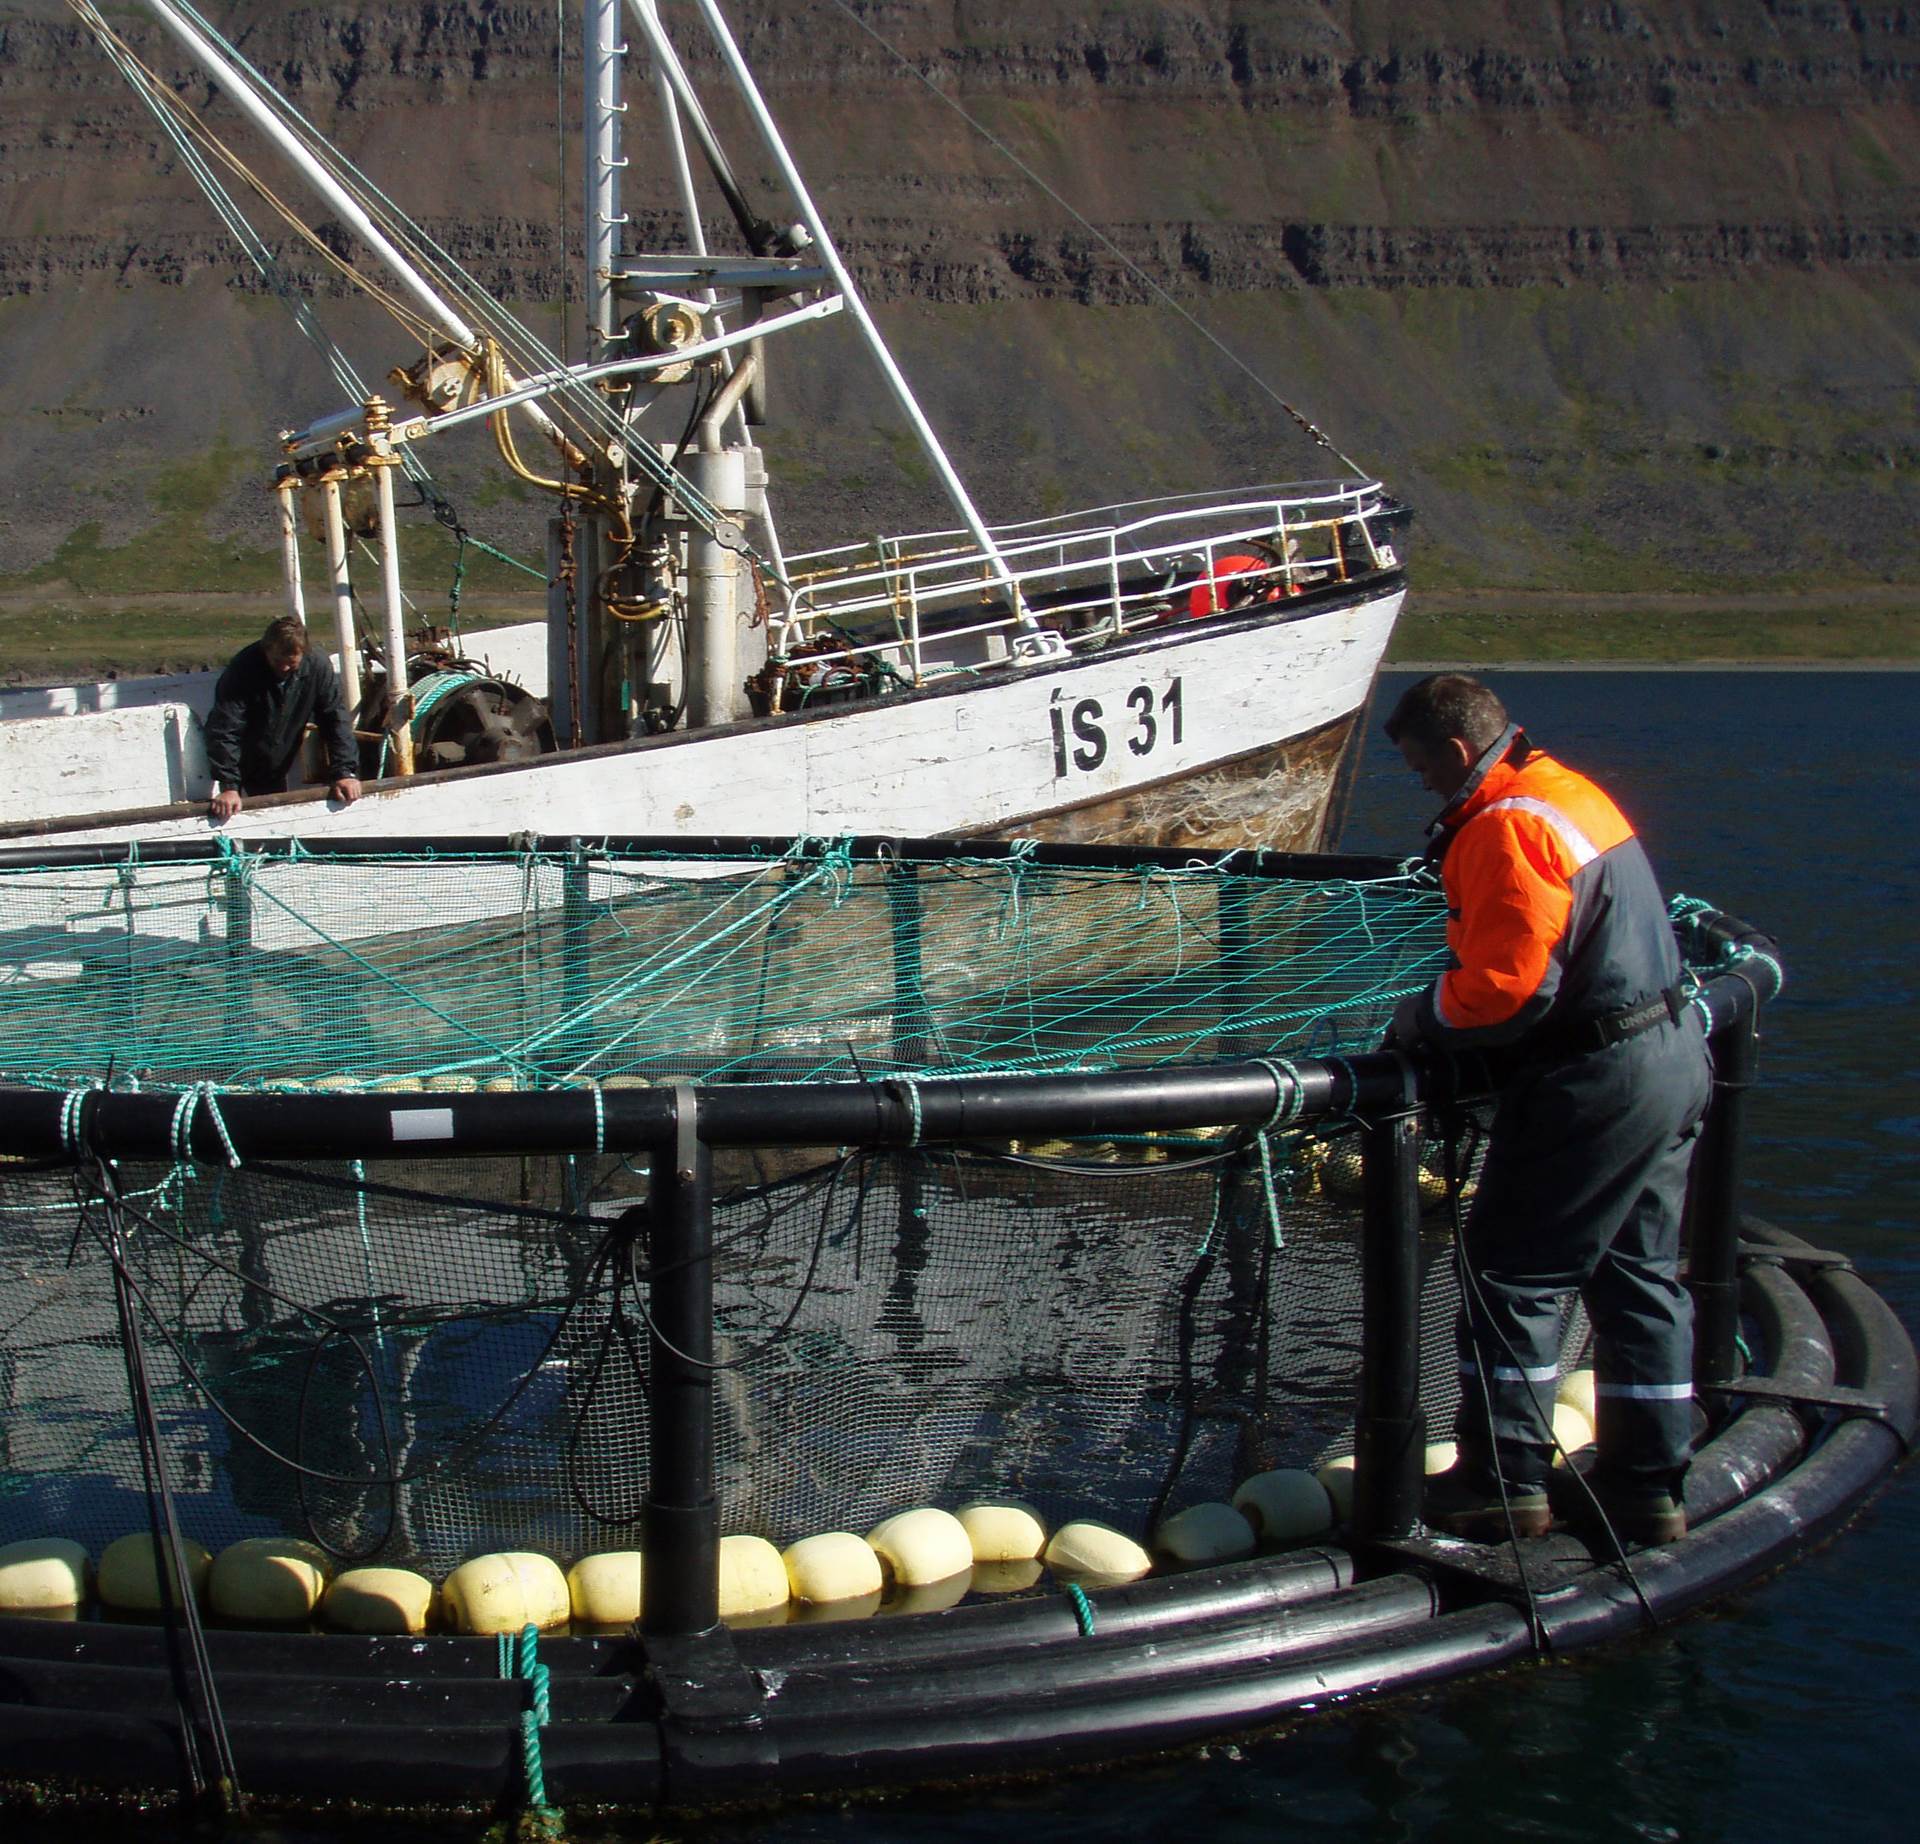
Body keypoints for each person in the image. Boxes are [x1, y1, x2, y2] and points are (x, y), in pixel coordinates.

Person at [1384, 674, 1712, 1546]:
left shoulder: (1507, 824)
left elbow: (1507, 992)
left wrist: (1419, 1018)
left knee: (1512, 1271)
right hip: (1671, 1054)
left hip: (1596, 1079)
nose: (1422, 785)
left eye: (1421, 768)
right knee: (1637, 1275)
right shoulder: (1569, 794)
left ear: (1456, 753)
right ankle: (1647, 1484)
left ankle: (1502, 1478)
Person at [204, 615, 361, 821]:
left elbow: (335, 720)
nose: (285, 669)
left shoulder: (317, 667)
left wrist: (344, 773)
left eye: (292, 665)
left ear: (303, 655)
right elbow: (225, 728)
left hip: (280, 755)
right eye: (278, 662)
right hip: (248, 751)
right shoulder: (243, 670)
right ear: (266, 649)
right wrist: (229, 786)